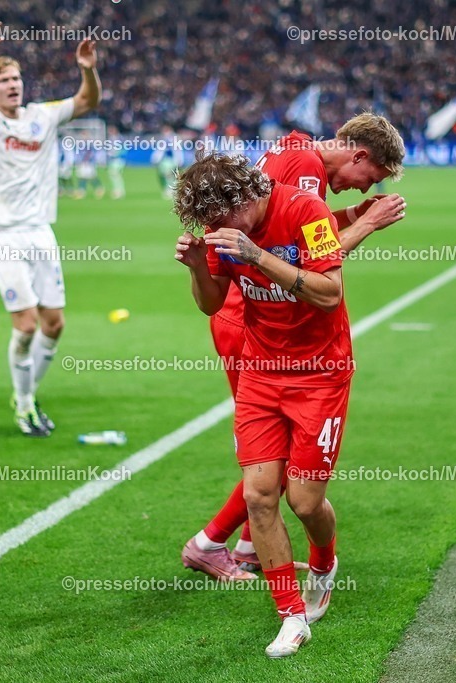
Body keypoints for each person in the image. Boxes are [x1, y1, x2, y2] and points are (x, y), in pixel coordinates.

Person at [182, 114, 408, 586]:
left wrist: (356, 215)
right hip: (256, 314)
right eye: (371, 177)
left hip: (252, 310)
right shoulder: (306, 166)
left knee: (277, 460)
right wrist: (367, 224)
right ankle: (210, 543)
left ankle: (248, 546)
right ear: (358, 155)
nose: (363, 188)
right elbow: (309, 260)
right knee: (275, 452)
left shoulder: (295, 149)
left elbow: (301, 233)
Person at [175, 151, 371, 657]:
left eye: (221, 216)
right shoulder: (222, 228)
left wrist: (258, 256)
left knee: (304, 502)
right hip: (260, 372)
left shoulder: (308, 211)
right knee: (260, 495)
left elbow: (329, 293)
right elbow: (212, 302)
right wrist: (198, 268)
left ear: (246, 195)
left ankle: (324, 564)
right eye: (208, 220)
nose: (216, 226)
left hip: (321, 375)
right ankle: (290, 615)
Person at [0, 20, 102, 437]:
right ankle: (25, 402)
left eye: (16, 78)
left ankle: (27, 394)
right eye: (4, 81)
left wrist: (87, 69)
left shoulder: (42, 116)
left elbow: (88, 99)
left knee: (54, 325)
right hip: (2, 233)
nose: (13, 85)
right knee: (27, 325)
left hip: (40, 231)